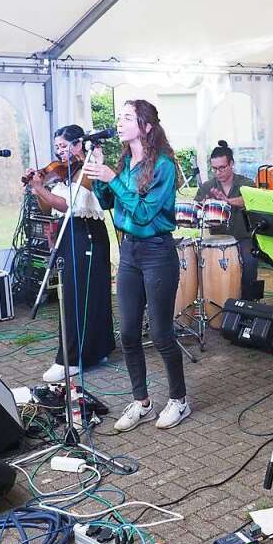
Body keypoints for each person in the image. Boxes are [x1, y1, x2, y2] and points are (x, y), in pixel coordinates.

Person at [85, 100, 191, 431]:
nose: (119, 123)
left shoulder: (163, 166)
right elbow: (105, 202)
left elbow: (144, 213)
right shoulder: (125, 162)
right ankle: (141, 401)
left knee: (161, 333)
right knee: (128, 332)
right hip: (129, 252)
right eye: (120, 118)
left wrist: (112, 178)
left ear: (146, 126)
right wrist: (100, 175)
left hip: (158, 252)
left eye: (127, 118)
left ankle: (179, 399)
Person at [25, 125, 114, 384]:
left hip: (86, 234)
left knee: (83, 296)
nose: (59, 153)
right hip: (70, 234)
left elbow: (69, 205)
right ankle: (93, 351)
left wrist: (41, 189)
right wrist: (39, 187)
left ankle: (73, 359)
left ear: (78, 145)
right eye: (56, 148)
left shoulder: (87, 168)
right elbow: (48, 206)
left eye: (64, 146)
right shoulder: (63, 173)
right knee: (74, 295)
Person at [194, 141, 260, 300]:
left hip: (243, 238)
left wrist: (227, 201)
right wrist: (202, 209)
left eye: (222, 168)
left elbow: (252, 200)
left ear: (231, 164)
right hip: (218, 239)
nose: (217, 172)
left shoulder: (246, 183)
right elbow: (196, 209)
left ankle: (247, 304)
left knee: (250, 264)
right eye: (214, 168)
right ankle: (215, 302)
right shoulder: (207, 187)